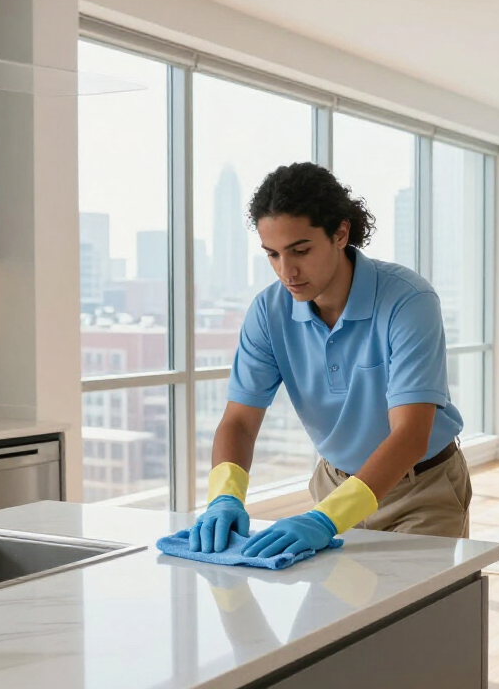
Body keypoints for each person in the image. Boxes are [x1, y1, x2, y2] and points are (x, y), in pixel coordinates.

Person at [189, 162, 471, 560]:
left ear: (340, 233)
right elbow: (239, 420)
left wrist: (325, 520)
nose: (287, 271)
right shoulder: (269, 312)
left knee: (417, 620)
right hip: (333, 485)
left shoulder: (408, 300)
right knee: (333, 620)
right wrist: (224, 496)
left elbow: (410, 434)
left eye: (300, 251)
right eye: (273, 255)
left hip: (421, 492)